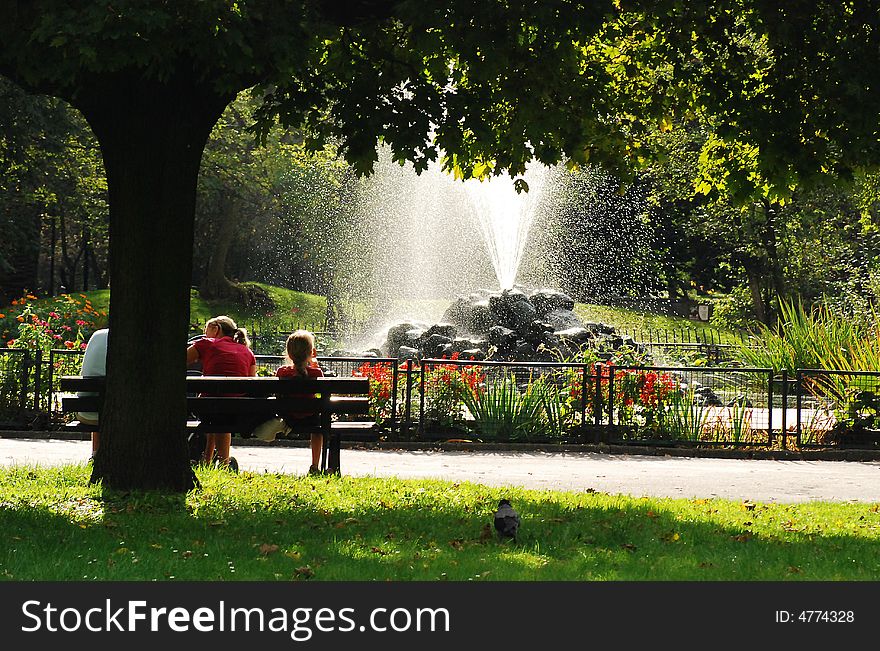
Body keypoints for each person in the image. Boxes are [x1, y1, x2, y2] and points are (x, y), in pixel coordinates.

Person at [185, 315, 256, 470]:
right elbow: (252, 381)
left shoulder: (206, 344)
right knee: (223, 408)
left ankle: (223, 464)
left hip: (209, 408)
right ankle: (210, 461)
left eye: (206, 330)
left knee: (216, 407)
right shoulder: (247, 351)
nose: (204, 334)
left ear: (216, 329)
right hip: (237, 410)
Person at [276, 329, 325, 475]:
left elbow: (278, 395)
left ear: (289, 354)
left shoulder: (282, 372)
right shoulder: (316, 373)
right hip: (311, 420)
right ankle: (315, 466)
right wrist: (314, 367)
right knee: (318, 430)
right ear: (312, 352)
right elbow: (321, 396)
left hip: (288, 418)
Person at [77, 327, 108, 458]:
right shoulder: (132, 339)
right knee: (102, 404)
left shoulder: (98, 335)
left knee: (97, 403)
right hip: (125, 410)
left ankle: (95, 454)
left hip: (88, 411)